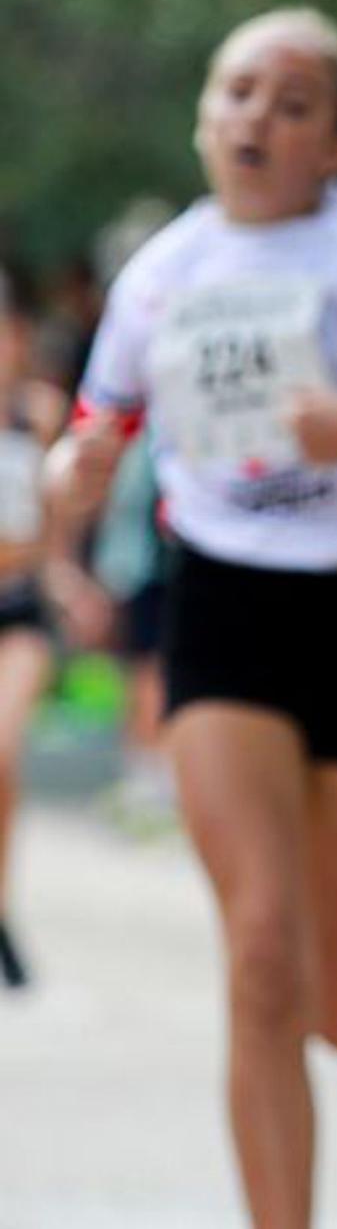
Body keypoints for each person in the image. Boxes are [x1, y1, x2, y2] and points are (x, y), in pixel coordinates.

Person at [45, 7, 337, 1229]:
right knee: (261, 952)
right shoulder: (163, 274)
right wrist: (71, 495)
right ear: (205, 116)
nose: (257, 117)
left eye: (292, 102)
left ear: (330, 140)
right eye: (236, 92)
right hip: (222, 609)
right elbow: (90, 442)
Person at [0, 263, 68, 988]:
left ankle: (2, 905)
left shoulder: (40, 413)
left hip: (19, 608)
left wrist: (64, 574)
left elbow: (55, 525)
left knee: (2, 750)